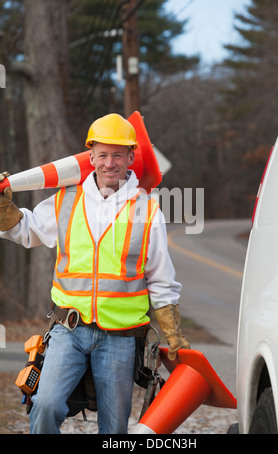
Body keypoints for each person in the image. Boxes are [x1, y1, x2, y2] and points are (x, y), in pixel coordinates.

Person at [0, 113, 190, 434]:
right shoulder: (66, 199)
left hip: (121, 337)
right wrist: (5, 211)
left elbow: (160, 277)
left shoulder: (147, 210)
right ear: (90, 157)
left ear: (131, 157)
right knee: (44, 405)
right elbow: (29, 230)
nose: (109, 163)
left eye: (118, 155)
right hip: (68, 330)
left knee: (114, 427)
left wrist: (172, 331)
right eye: (102, 154)